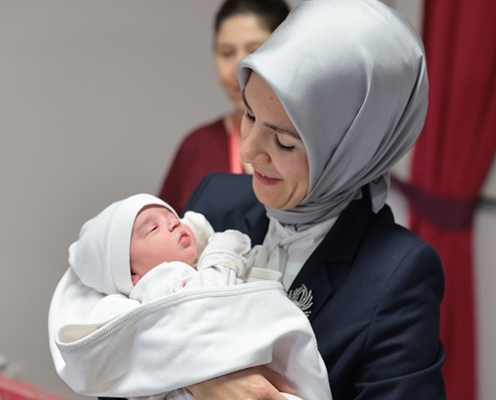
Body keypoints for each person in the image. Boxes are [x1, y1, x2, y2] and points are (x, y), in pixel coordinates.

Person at [181, 0, 447, 398]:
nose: (248, 153)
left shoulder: (396, 276)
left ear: (353, 149)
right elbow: (110, 360)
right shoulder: (215, 203)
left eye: (284, 141)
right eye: (249, 115)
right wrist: (201, 380)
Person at [48, 194, 331, 400]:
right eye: (153, 228)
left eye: (172, 216)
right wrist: (223, 255)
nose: (173, 224)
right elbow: (211, 300)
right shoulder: (159, 282)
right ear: (132, 272)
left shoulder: (183, 273)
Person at [158, 0, 290, 216]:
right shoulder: (196, 147)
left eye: (255, 50)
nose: (239, 68)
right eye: (226, 53)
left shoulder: (312, 147)